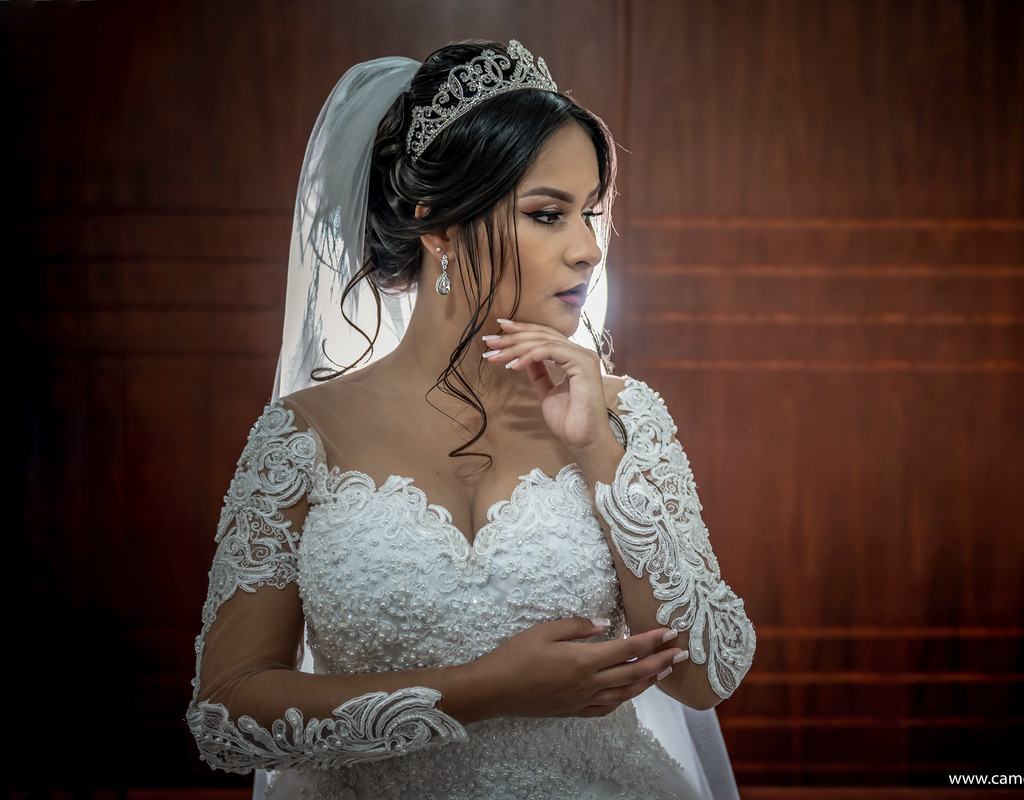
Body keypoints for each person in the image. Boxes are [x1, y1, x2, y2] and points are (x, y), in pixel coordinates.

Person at [187, 39, 756, 799]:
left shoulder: (622, 416)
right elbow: (225, 717)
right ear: (439, 226)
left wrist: (596, 452)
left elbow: (708, 673)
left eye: (590, 214)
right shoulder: (304, 436)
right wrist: (486, 688)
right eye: (549, 214)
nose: (589, 249)